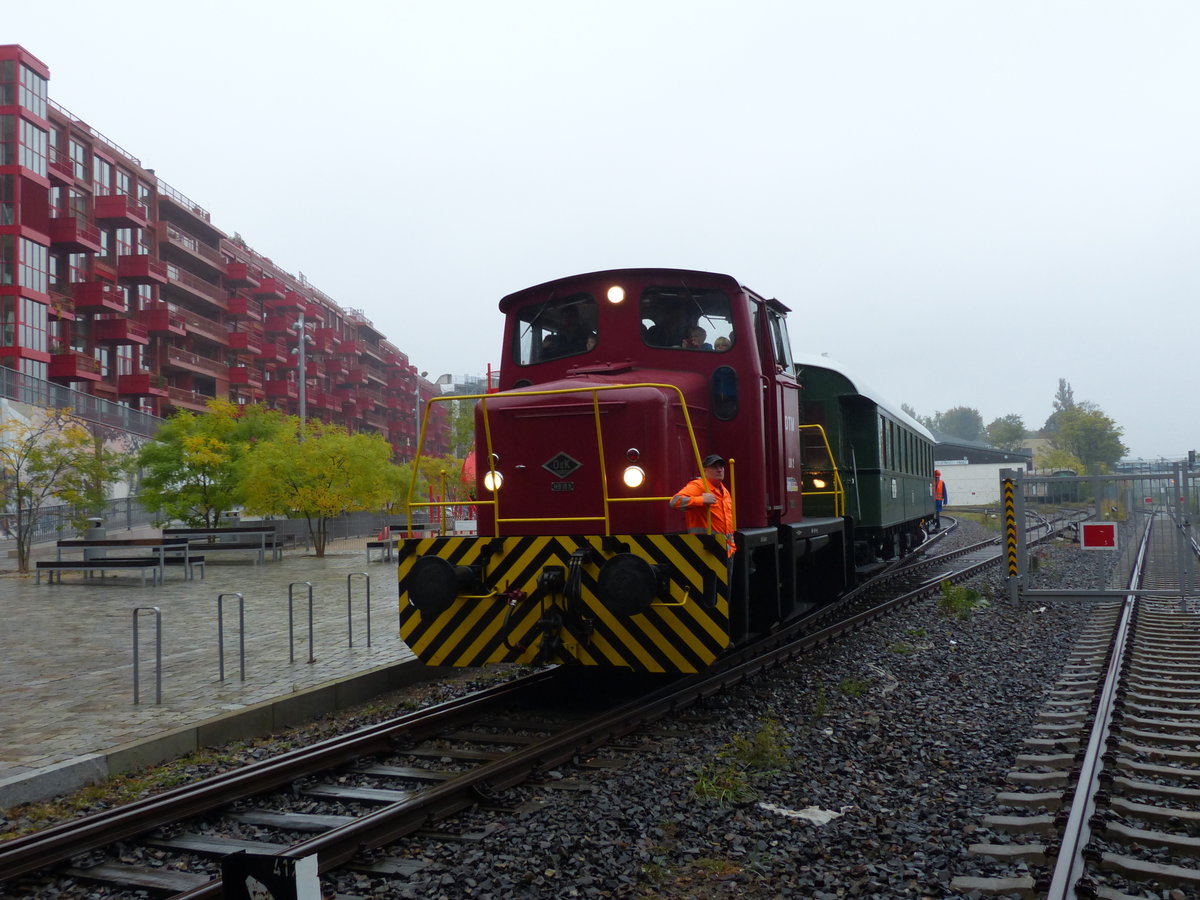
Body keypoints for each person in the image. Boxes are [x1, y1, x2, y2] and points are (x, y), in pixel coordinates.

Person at [669, 454, 735, 557]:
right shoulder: (698, 486)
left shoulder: (724, 491)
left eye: (721, 467)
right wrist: (701, 500)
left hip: (726, 549)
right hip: (706, 547)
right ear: (704, 471)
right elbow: (675, 501)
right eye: (714, 467)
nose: (719, 470)